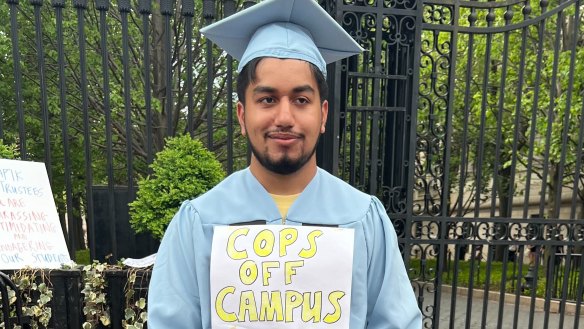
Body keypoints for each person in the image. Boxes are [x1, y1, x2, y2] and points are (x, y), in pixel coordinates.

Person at [147, 0, 422, 328]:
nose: (284, 117)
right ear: (242, 114)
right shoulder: (198, 223)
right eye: (267, 99)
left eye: (301, 100)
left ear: (322, 115)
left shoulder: (364, 220)